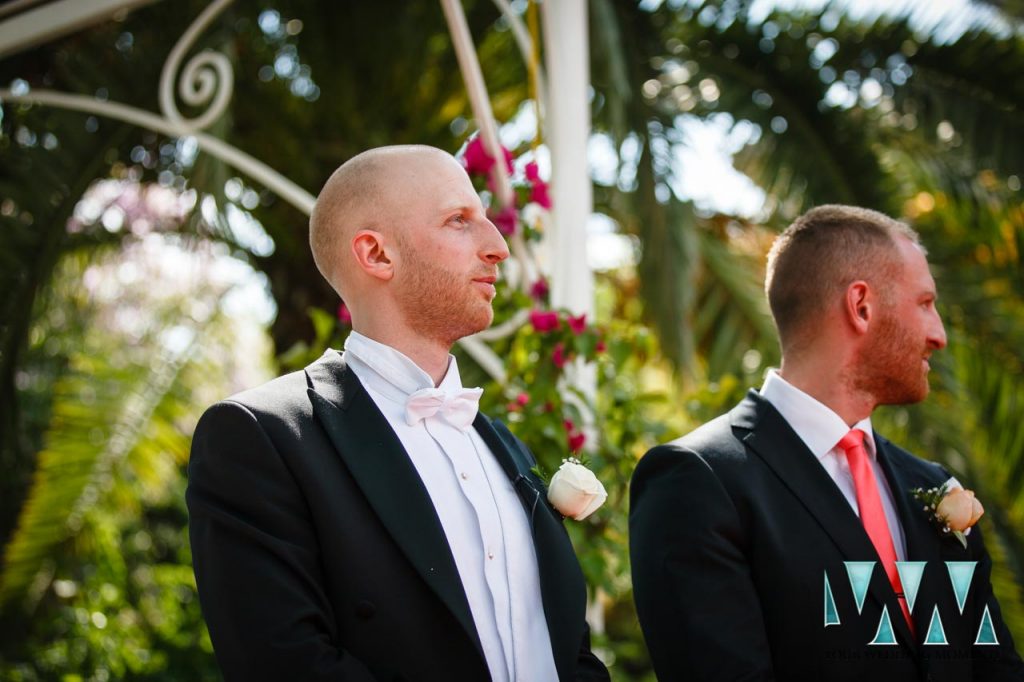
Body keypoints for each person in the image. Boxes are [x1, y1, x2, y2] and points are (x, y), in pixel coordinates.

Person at [187, 145, 610, 681]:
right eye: (460, 220)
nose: (499, 247)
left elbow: (568, 649)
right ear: (377, 255)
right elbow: (286, 665)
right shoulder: (260, 438)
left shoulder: (504, 446)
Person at [630, 205, 1024, 681]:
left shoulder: (934, 486)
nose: (938, 334)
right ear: (861, 306)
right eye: (924, 303)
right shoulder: (698, 480)